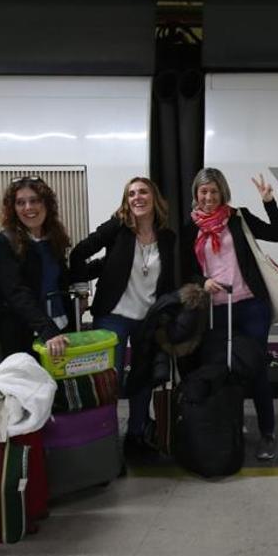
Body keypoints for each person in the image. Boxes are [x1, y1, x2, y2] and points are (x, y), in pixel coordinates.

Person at [182, 168, 278, 461]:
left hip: (251, 305)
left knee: (256, 369)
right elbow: (184, 268)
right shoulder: (191, 227)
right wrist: (202, 282)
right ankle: (232, 425)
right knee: (224, 370)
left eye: (214, 191)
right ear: (196, 194)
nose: (208, 197)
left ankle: (268, 433)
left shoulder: (237, 217)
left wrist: (269, 202)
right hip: (215, 309)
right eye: (203, 192)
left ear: (223, 193)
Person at [69, 177, 178, 443]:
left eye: (143, 192)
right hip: (112, 317)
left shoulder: (167, 237)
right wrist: (83, 291)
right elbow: (78, 254)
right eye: (131, 194)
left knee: (141, 380)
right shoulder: (117, 227)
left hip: (147, 320)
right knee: (108, 382)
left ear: (155, 199)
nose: (137, 197)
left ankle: (137, 434)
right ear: (126, 201)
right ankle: (104, 440)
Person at [0, 176, 74, 360]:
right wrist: (47, 330)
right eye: (21, 202)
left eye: (34, 200)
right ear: (13, 208)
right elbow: (16, 292)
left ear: (47, 204)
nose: (28, 207)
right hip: (25, 333)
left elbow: (60, 280)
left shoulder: (54, 239)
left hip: (60, 327)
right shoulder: (3, 243)